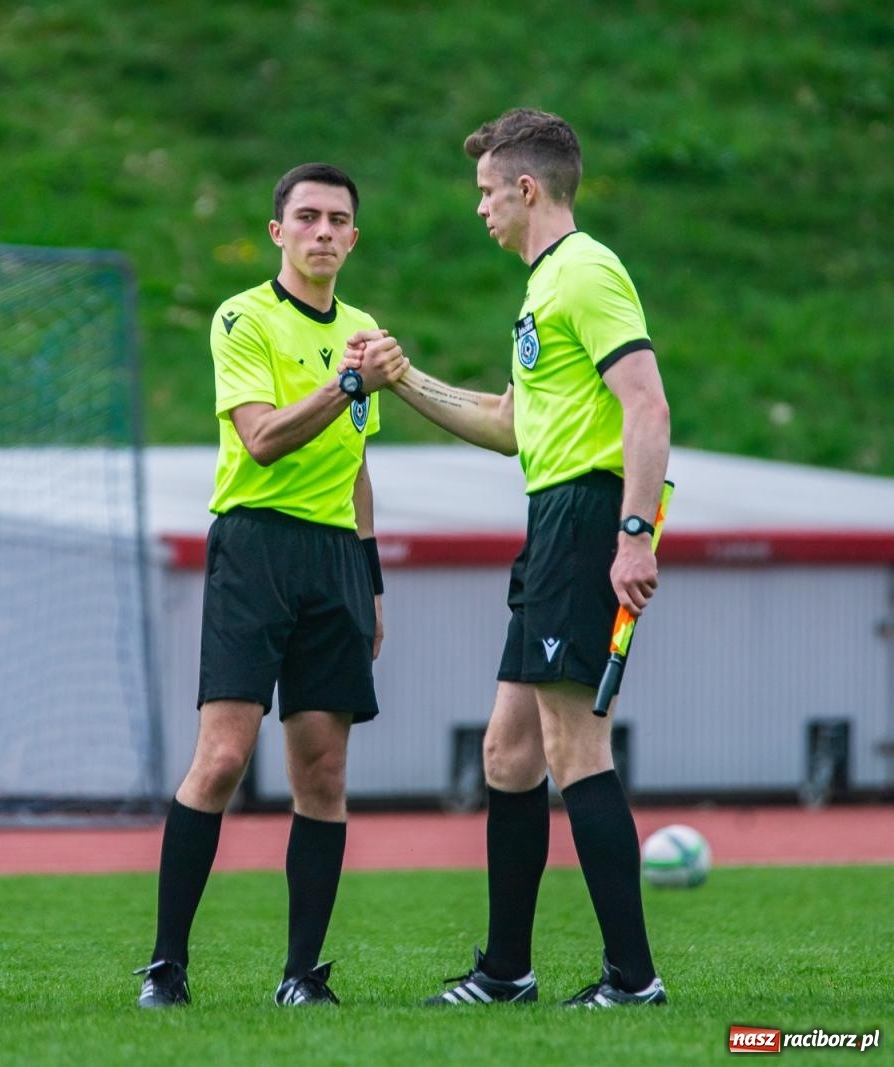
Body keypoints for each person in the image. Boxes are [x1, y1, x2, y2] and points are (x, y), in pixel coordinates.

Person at [357, 109, 672, 1007]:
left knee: (576, 746)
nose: (481, 209)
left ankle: (632, 980)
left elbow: (646, 408)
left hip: (585, 518)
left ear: (526, 188)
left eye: (487, 192)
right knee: (507, 752)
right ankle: (505, 971)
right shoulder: (543, 288)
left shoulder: (586, 272)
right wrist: (405, 379)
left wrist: (633, 533)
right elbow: (508, 424)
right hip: (551, 519)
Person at [134, 163, 406, 1008]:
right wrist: (350, 380)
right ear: (278, 232)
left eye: (340, 220)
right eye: (309, 217)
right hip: (255, 549)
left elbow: (357, 468)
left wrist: (371, 584)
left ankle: (301, 976)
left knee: (322, 771)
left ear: (354, 239)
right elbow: (261, 441)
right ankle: (166, 967)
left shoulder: (363, 328)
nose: (325, 231)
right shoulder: (242, 318)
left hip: (333, 560)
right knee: (220, 758)